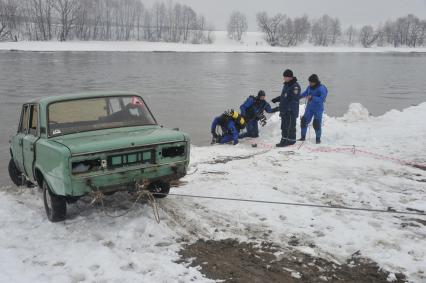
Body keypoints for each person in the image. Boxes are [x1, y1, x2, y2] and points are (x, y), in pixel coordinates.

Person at [272, 69, 301, 147]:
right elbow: (284, 96)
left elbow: (294, 100)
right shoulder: (286, 84)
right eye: (284, 77)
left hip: (291, 111)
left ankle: (291, 141)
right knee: (284, 126)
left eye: (285, 77)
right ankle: (284, 140)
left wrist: (289, 109)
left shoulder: (295, 87)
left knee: (290, 126)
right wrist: (277, 99)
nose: (284, 78)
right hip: (284, 110)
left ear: (290, 77)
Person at [299, 74, 328, 144]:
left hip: (318, 108)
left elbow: (322, 99)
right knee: (304, 121)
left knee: (316, 123)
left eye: (311, 82)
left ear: (315, 82)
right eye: (309, 82)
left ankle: (318, 139)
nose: (310, 83)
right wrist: (298, 97)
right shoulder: (309, 87)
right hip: (309, 108)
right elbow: (305, 93)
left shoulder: (321, 88)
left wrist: (312, 98)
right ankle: (303, 137)